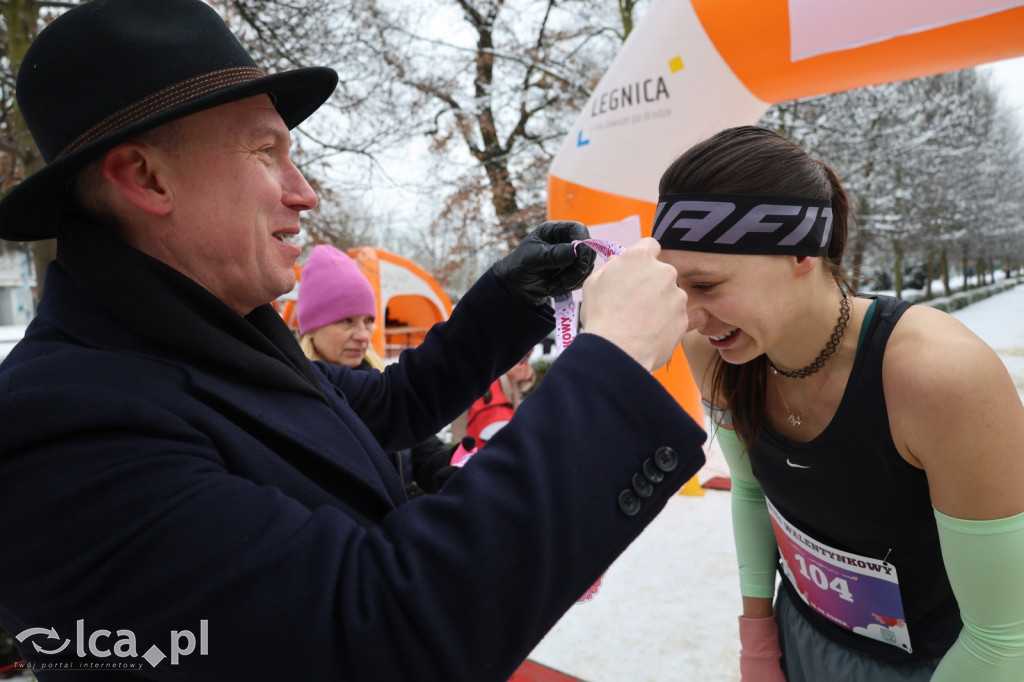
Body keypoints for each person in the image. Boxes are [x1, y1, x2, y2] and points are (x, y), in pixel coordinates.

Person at [0, 1, 706, 679]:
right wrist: (612, 364)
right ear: (146, 178)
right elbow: (370, 637)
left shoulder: (219, 338)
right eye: (265, 151)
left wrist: (506, 301)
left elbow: (390, 407)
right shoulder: (56, 424)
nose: (303, 192)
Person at [655, 125, 1024, 681]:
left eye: (706, 285)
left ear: (801, 252)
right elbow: (753, 493)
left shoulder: (939, 377)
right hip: (801, 635)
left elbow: (1003, 639)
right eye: (676, 288)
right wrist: (757, 641)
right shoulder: (717, 351)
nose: (688, 316)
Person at [296, 243, 455, 496]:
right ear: (312, 327)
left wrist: (450, 464)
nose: (363, 335)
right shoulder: (298, 398)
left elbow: (422, 452)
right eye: (346, 320)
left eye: (369, 321)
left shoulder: (384, 383)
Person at [461, 349, 536, 446]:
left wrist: (528, 374)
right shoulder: (467, 370)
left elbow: (524, 384)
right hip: (477, 426)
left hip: (506, 418)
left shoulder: (507, 366)